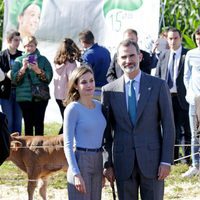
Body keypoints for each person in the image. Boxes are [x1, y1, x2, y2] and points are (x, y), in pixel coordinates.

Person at [101, 39, 175, 200]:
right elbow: (106, 134)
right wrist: (108, 163)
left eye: (132, 56)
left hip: (153, 163)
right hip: (122, 163)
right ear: (118, 61)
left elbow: (169, 126)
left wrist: (166, 161)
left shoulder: (158, 86)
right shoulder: (109, 91)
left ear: (140, 56)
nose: (128, 61)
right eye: (124, 57)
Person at [63, 66, 106, 200]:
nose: (89, 85)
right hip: (81, 161)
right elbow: (68, 144)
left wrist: (104, 167)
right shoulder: (72, 108)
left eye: (91, 80)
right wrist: (76, 174)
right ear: (76, 85)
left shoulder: (100, 106)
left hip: (98, 161)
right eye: (83, 82)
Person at [155, 27, 191, 165]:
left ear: (180, 38)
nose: (173, 41)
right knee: (170, 128)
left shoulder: (187, 55)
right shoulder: (163, 55)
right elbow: (158, 76)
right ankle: (173, 158)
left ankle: (187, 159)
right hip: (167, 97)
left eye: (176, 38)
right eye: (170, 38)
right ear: (167, 39)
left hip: (183, 97)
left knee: (185, 129)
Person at [11, 36, 53, 136]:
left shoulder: (43, 60)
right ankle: (28, 150)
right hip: (24, 98)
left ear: (36, 46)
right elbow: (14, 79)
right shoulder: (18, 60)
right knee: (28, 125)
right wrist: (23, 68)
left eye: (31, 45)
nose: (29, 48)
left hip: (40, 98)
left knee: (39, 124)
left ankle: (40, 150)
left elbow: (48, 78)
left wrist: (37, 70)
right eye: (26, 46)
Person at [182, 26, 200, 177]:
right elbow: (186, 76)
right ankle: (195, 165)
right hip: (195, 100)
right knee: (195, 134)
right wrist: (190, 93)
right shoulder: (191, 54)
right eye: (198, 39)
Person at [54, 38, 81, 134]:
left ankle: (61, 140)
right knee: (68, 121)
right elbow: (72, 79)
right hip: (67, 95)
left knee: (65, 119)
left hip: (58, 96)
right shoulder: (71, 63)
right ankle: (60, 141)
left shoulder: (58, 62)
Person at [0, 30, 22, 133]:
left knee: (18, 122)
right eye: (15, 40)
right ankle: (8, 146)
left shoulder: (22, 55)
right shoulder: (1, 55)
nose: (18, 42)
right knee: (9, 121)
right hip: (5, 93)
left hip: (19, 92)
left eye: (19, 40)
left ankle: (19, 147)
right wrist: (6, 75)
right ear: (9, 40)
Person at [78, 30, 111, 99]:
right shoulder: (105, 51)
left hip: (93, 90)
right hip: (107, 89)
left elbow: (84, 74)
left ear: (83, 42)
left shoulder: (87, 55)